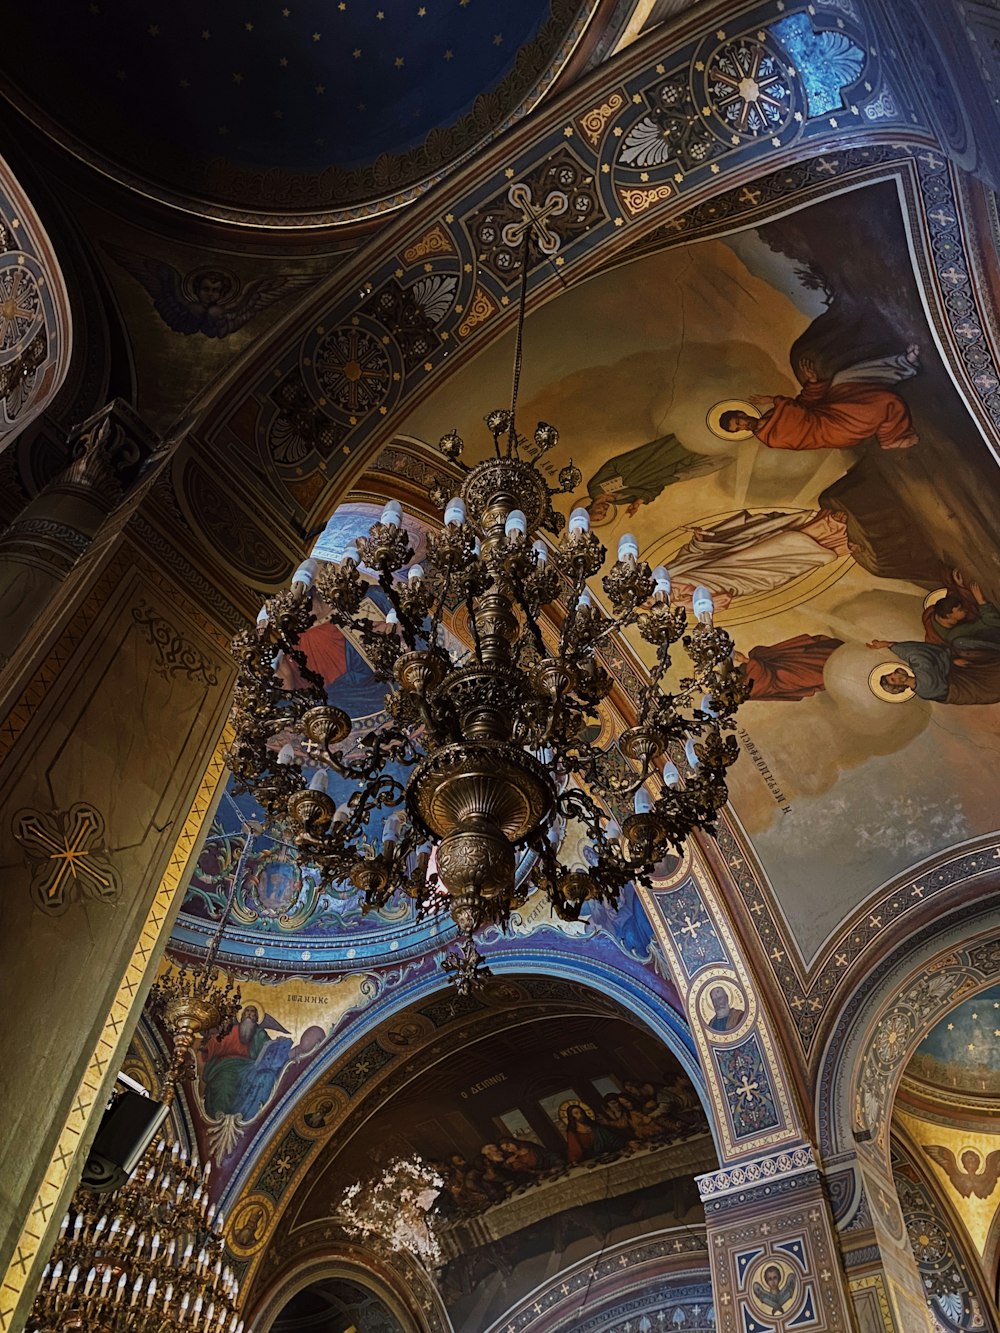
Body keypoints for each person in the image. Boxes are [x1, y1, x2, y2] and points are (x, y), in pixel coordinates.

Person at [719, 347, 920, 451]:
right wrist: (775, 399)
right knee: (885, 401)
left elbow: (805, 405)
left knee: (844, 378)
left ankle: (904, 364)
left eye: (738, 421)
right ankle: (890, 439)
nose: (743, 425)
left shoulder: (771, 416)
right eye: (739, 428)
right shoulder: (771, 438)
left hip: (828, 411)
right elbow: (799, 416)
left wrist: (813, 383)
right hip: (835, 429)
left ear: (741, 413)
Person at [666, 507, 850, 611]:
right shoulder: (684, 605)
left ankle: (829, 524)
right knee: (789, 553)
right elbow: (724, 599)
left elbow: (691, 554)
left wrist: (699, 540)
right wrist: (695, 597)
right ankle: (838, 541)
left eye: (649, 598)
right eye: (651, 604)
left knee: (780, 538)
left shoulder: (668, 574)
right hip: (744, 577)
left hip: (731, 556)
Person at [583, 434, 726, 522]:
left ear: (590, 508)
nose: (604, 510)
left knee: (688, 447)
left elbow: (613, 466)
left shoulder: (595, 488)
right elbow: (651, 489)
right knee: (698, 464)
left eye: (599, 512)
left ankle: (712, 436)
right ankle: (724, 444)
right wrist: (638, 502)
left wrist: (634, 477)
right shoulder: (620, 501)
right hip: (663, 475)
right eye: (604, 514)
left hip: (650, 462)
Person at [736, 634, 843, 701]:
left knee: (818, 657)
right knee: (820, 671)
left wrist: (749, 660)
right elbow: (761, 675)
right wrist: (745, 660)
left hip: (787, 663)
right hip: (788, 677)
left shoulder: (747, 674)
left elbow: (763, 654)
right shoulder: (747, 691)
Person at [561, 1101, 627, 1164]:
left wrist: (626, 1143)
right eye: (576, 1113)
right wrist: (574, 1160)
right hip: (592, 1160)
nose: (580, 1115)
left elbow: (611, 1138)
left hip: (609, 1155)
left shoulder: (594, 1126)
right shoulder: (572, 1132)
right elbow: (574, 1149)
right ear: (572, 1116)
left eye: (581, 1112)